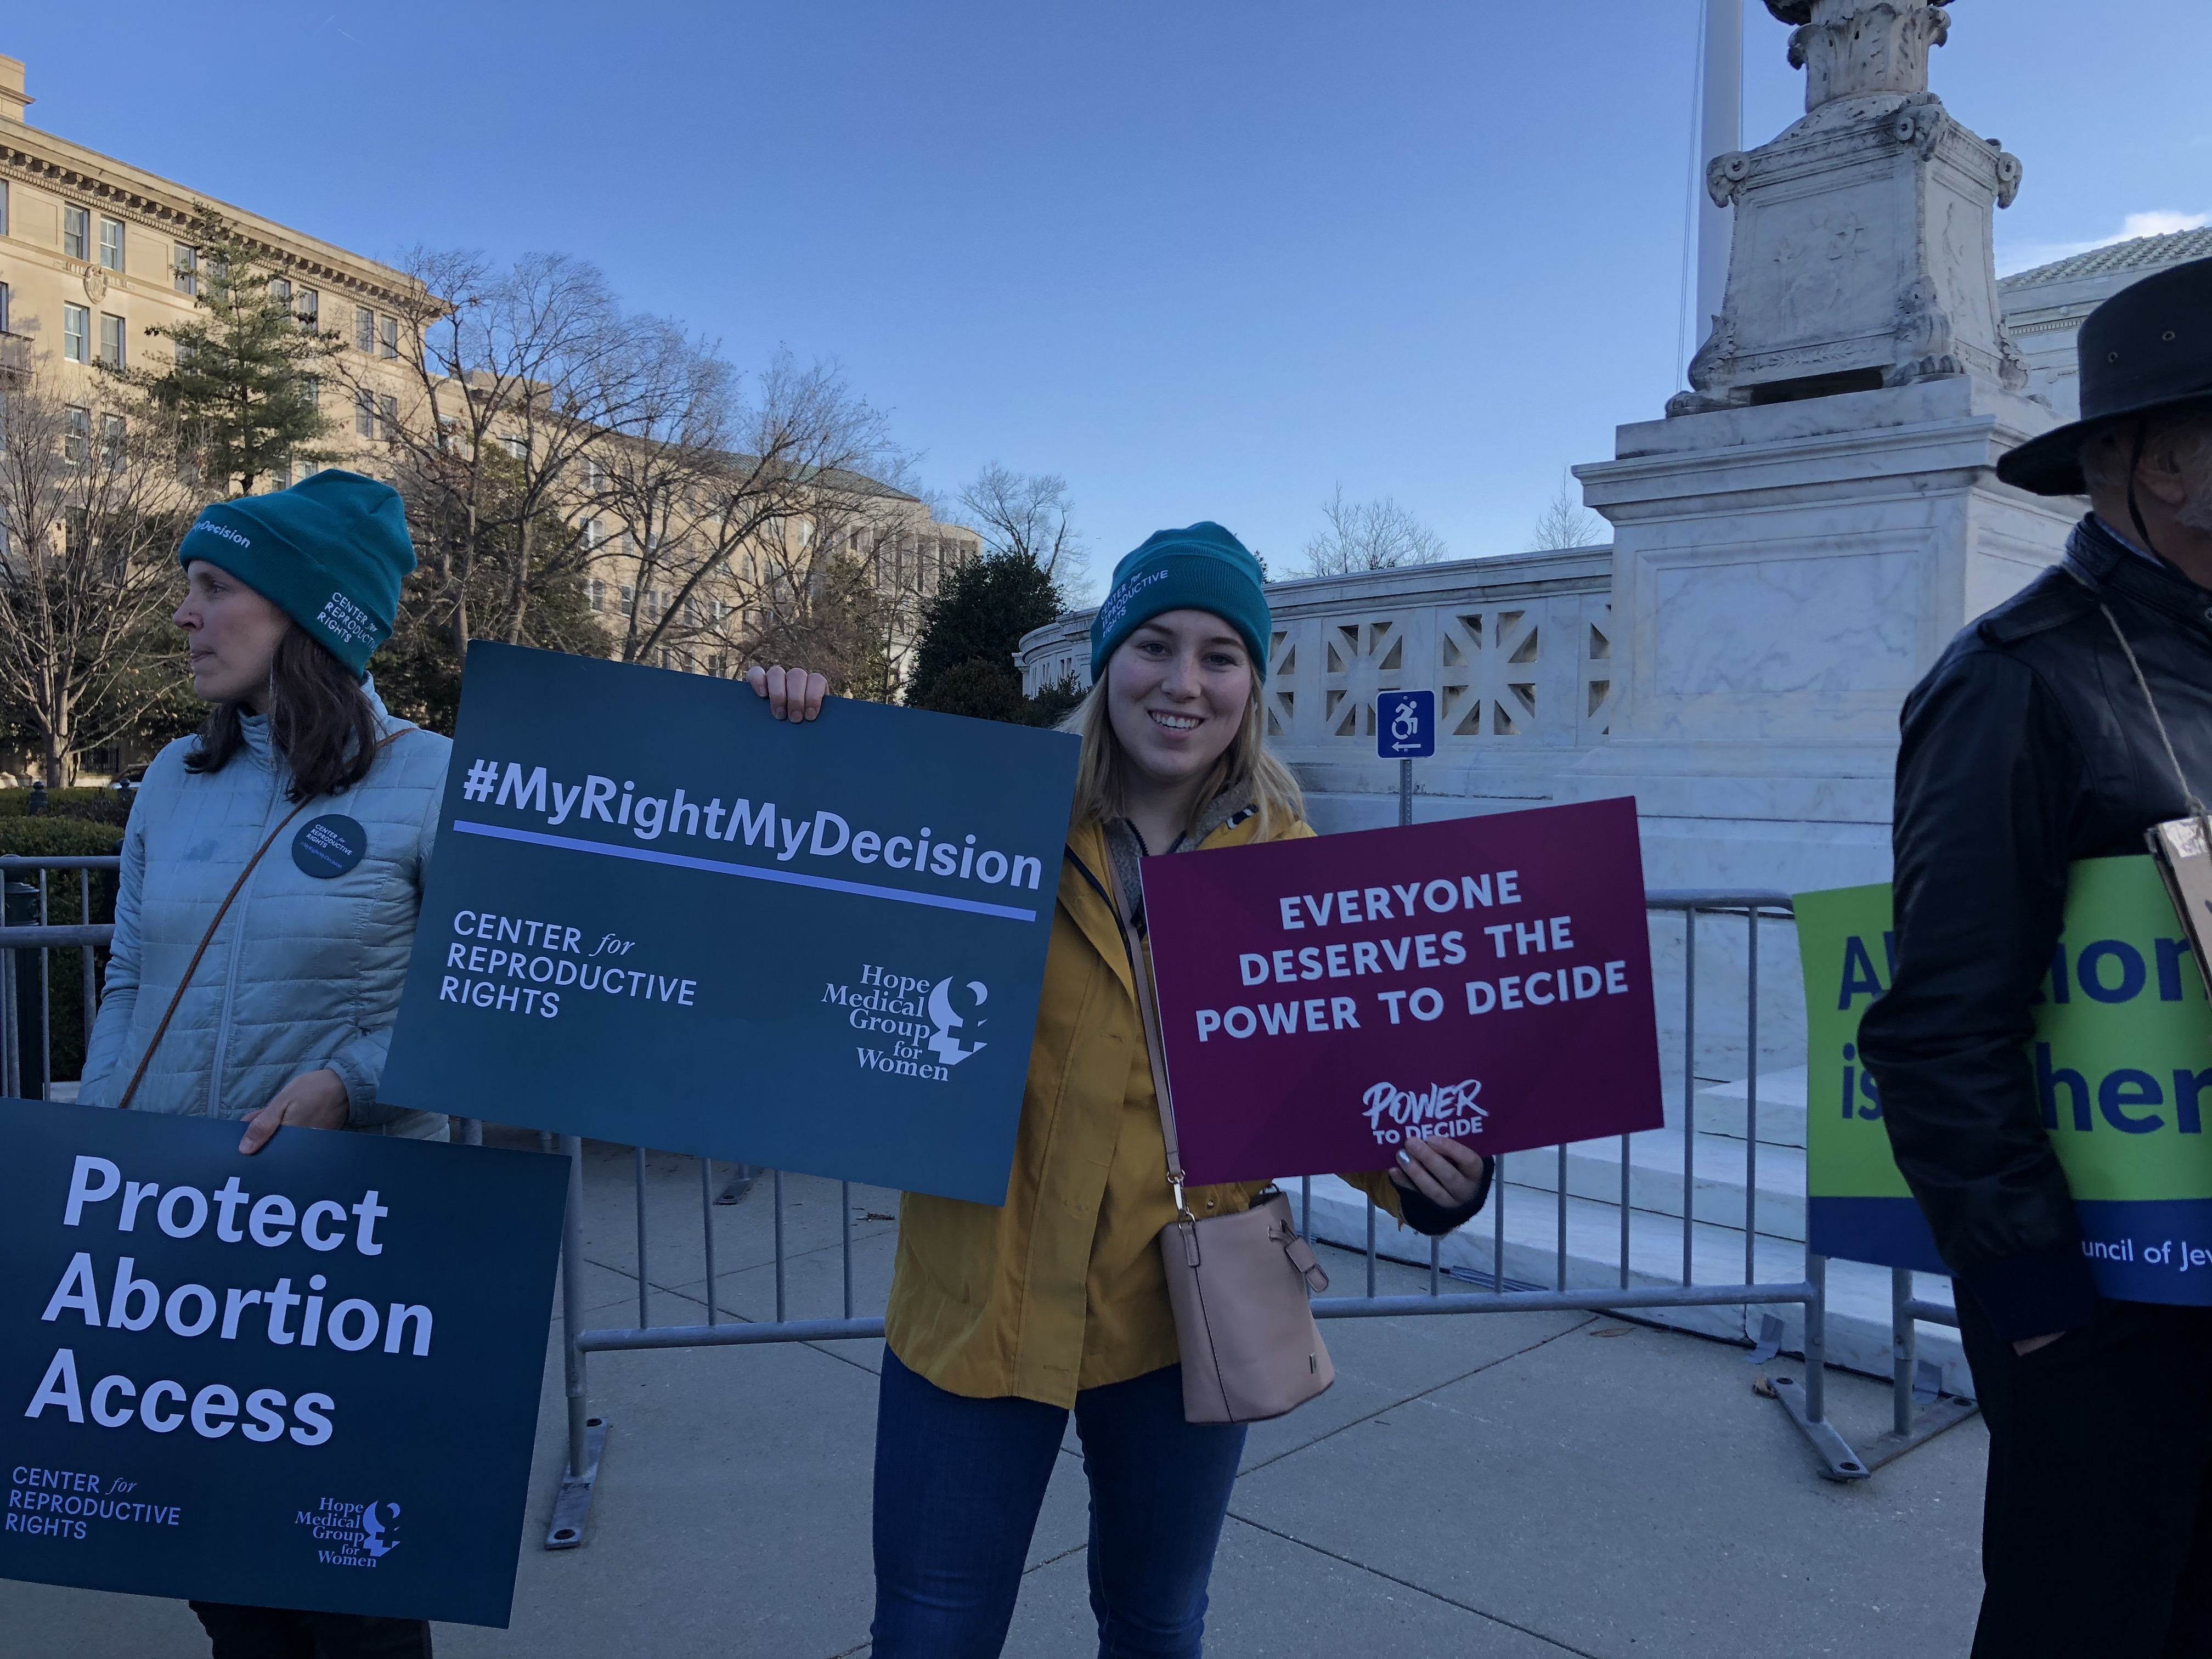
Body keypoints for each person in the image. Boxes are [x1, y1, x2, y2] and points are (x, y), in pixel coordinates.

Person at [753, 521, 1492, 1657]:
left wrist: (1435, 1179)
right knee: (930, 1632)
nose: (1184, 684)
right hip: (978, 1312)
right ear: (1107, 664)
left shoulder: (1292, 878)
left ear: (1253, 682)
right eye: (1154, 645)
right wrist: (783, 745)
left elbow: (1347, 1087)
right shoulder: (978, 823)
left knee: (1156, 1626)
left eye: (1219, 655)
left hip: (1180, 1328)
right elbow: (795, 898)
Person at [1859, 256, 2212, 1657]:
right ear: (2147, 462)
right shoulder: (2014, 677)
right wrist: (2045, 1322)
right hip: (2112, 1324)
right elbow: (1937, 1034)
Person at [79, 469, 452, 1659]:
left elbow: (484, 1012)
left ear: (307, 614)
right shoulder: (167, 787)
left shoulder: (431, 781)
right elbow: (130, 986)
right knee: (224, 1586)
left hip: (355, 1264)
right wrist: (91, 1165)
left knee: (353, 1597)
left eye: (213, 585)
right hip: (187, 1256)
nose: (182, 614)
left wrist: (355, 1084)